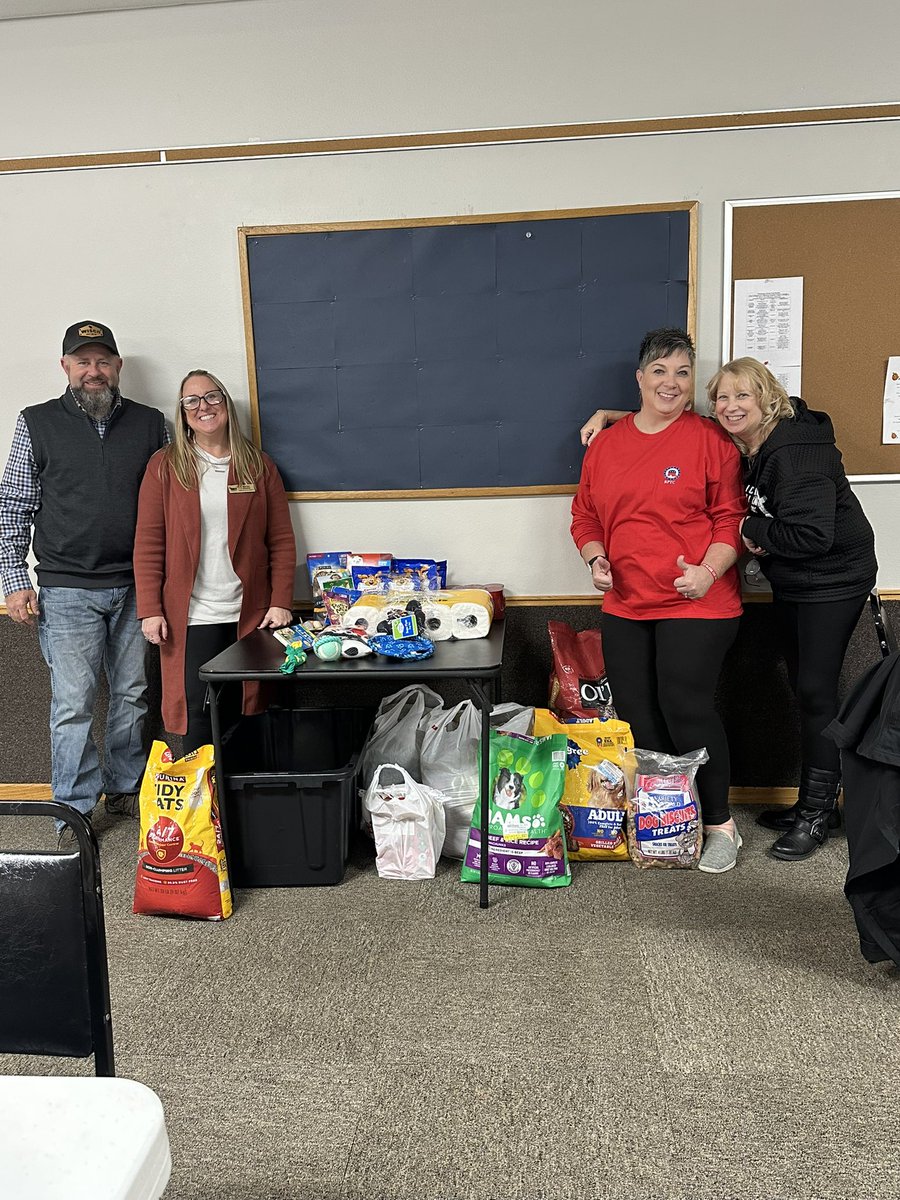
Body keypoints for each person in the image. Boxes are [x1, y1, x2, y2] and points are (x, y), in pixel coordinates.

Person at [570, 328, 746, 873]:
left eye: (684, 373)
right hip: (626, 602)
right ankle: (671, 820)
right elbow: (585, 517)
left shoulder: (711, 440)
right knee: (640, 717)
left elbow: (731, 519)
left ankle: (720, 825)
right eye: (661, 371)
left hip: (698, 600)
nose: (672, 383)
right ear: (640, 378)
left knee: (685, 707)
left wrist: (708, 571)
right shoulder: (607, 443)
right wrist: (596, 558)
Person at [0, 321, 168, 846]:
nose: (93, 371)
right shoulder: (36, 423)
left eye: (102, 361)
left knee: (134, 694)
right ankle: (71, 810)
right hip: (66, 587)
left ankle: (125, 787)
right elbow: (12, 508)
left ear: (117, 366)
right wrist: (13, 580)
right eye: (82, 361)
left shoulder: (151, 424)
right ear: (66, 367)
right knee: (72, 702)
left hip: (138, 583)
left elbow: (168, 507)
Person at [707, 358, 876, 860]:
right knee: (806, 690)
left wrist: (753, 531)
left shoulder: (795, 452)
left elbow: (811, 535)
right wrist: (613, 413)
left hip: (833, 580)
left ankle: (818, 812)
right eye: (722, 398)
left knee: (816, 693)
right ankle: (814, 799)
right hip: (799, 582)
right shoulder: (760, 445)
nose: (730, 406)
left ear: (767, 399)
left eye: (743, 396)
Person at [134, 369, 296, 753]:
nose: (202, 406)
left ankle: (245, 807)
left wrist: (281, 600)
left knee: (249, 712)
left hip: (250, 615)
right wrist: (150, 610)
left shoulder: (258, 465)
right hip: (191, 618)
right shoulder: (165, 467)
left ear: (225, 404)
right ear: (182, 412)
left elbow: (282, 541)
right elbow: (148, 543)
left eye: (211, 397)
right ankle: (206, 811)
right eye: (191, 400)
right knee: (197, 718)